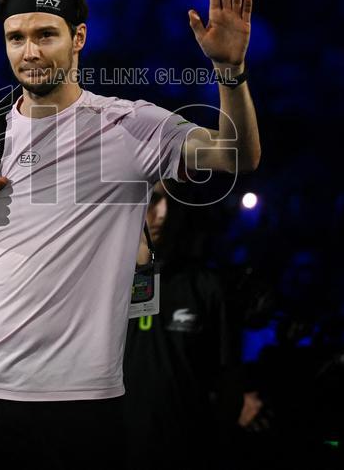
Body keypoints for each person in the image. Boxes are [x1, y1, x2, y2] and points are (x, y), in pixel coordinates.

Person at [0, 0, 261, 468]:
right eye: (16, 38)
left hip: (81, 406)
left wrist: (229, 70)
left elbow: (235, 155)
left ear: (79, 37)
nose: (30, 52)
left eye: (46, 34)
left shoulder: (129, 125)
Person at [123, 180, 265, 470]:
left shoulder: (206, 287)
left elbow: (227, 376)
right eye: (152, 201)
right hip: (111, 452)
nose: (162, 213)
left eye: (170, 202)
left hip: (186, 452)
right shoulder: (98, 282)